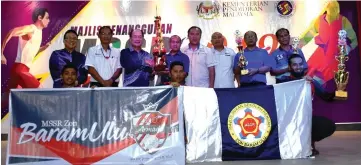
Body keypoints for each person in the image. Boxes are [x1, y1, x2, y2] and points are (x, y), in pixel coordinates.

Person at [286, 54, 336, 156]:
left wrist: (339, 89)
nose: (298, 67)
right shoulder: (283, 82)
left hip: (306, 119)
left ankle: (309, 143)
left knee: (327, 125)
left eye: (300, 64)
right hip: (288, 121)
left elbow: (326, 96)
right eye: (295, 65)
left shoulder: (310, 82)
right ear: (290, 67)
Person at [299, 1, 358, 84]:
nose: (333, 11)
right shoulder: (319, 20)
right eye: (331, 9)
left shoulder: (343, 21)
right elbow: (310, 34)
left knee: (322, 81)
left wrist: (348, 48)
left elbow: (354, 40)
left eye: (335, 9)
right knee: (308, 77)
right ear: (326, 9)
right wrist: (300, 44)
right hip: (320, 55)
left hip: (335, 56)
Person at [1, 8, 50, 89]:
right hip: (20, 69)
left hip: (21, 70)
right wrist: (1, 53)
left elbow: (31, 51)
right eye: (47, 18)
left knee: (10, 98)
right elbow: (12, 32)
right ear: (40, 17)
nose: (49, 20)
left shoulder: (39, 32)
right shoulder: (31, 28)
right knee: (40, 91)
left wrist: (43, 48)